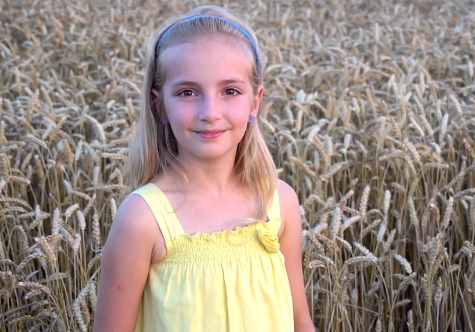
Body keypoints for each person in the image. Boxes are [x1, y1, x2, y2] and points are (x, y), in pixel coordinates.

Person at [94, 5, 315, 332]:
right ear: (159, 104)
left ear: (255, 101)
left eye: (230, 91)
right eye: (187, 92)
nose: (210, 112)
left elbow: (300, 320)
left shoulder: (279, 203)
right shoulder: (142, 220)